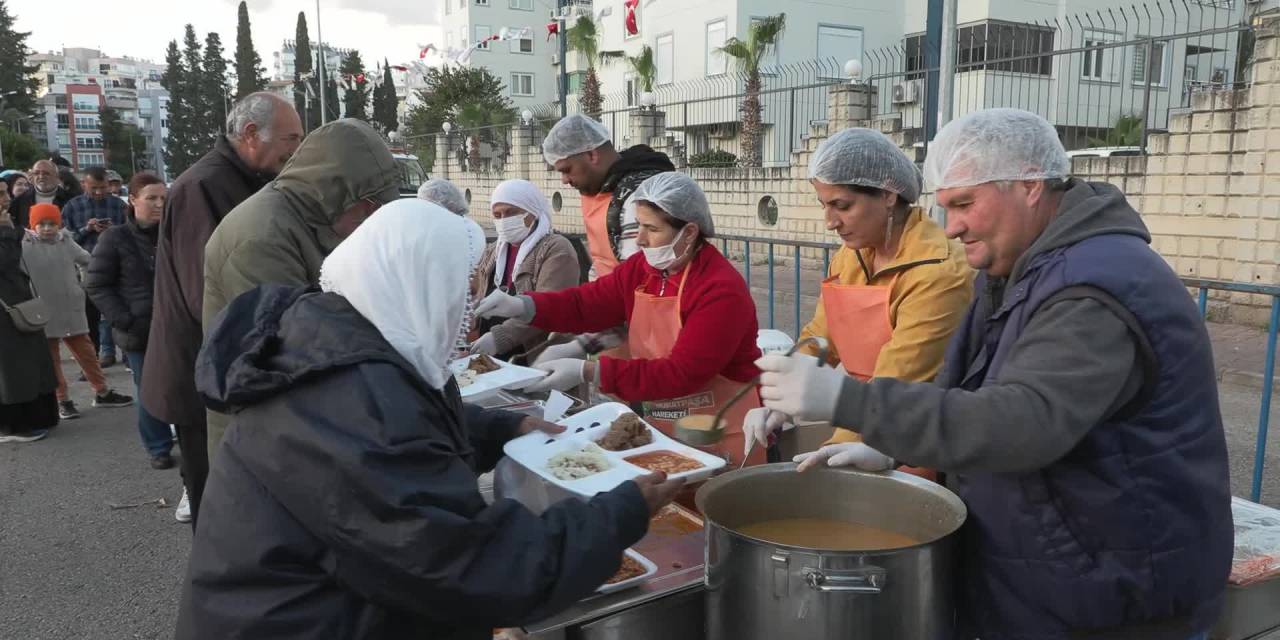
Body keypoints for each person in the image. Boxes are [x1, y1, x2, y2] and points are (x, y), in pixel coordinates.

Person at [752, 109, 1231, 639]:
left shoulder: (1089, 290)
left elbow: (1017, 420)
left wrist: (850, 407)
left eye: (963, 204)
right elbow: (942, 375)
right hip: (1033, 563)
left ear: (1029, 185)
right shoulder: (1003, 267)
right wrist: (828, 393)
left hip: (1112, 589)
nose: (952, 226)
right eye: (945, 206)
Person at [176, 200, 683, 639]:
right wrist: (618, 514)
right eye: (455, 283)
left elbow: (402, 424)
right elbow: (471, 567)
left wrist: (498, 427)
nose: (462, 300)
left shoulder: (334, 340)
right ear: (412, 281)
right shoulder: (350, 398)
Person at [476, 173, 764, 466]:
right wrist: (523, 305)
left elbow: (680, 375)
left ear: (689, 233)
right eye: (639, 225)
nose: (640, 239)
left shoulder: (720, 289)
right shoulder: (643, 270)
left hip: (727, 429)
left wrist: (588, 372)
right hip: (666, 424)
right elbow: (585, 304)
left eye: (651, 228)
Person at [742, 128, 974, 477]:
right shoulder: (851, 256)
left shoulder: (939, 271)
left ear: (887, 194)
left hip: (908, 441)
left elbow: (898, 380)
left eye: (842, 206)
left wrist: (834, 449)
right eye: (825, 205)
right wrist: (777, 399)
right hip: (855, 420)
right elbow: (821, 338)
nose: (830, 222)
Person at [143, 91, 303, 526]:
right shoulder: (204, 185)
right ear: (250, 134)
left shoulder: (243, 179)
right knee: (217, 500)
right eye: (292, 137)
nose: (297, 149)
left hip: (224, 367)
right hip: (205, 371)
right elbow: (211, 292)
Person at [202, 117, 400, 461]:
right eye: (367, 203)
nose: (371, 217)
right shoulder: (261, 236)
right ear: (335, 190)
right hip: (266, 440)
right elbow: (292, 349)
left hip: (297, 425)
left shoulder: (312, 216)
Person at [85, 173, 175, 469]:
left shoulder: (176, 234)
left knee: (183, 386)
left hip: (177, 327)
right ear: (133, 200)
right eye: (151, 198)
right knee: (148, 389)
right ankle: (158, 446)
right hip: (140, 330)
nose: (159, 204)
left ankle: (185, 436)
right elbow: (97, 285)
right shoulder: (115, 238)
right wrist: (125, 319)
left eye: (163, 197)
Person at [21, 204, 133, 420]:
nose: (47, 228)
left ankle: (102, 391)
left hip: (70, 306)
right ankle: (62, 399)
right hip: (42, 310)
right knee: (52, 359)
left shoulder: (66, 241)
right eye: (41, 224)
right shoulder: (25, 245)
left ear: (59, 224)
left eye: (52, 223)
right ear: (33, 225)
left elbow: (88, 261)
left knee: (87, 353)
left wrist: (82, 285)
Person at [542, 113, 674, 279]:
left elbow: (637, 278)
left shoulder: (637, 197)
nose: (564, 180)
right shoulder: (598, 188)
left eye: (567, 170)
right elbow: (600, 263)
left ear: (592, 155)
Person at [469, 179, 580, 362]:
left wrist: (499, 337)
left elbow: (550, 308)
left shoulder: (555, 249)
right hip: (496, 359)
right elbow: (479, 294)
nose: (504, 220)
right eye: (498, 215)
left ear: (532, 211)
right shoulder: (493, 252)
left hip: (537, 357)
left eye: (511, 212)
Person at [0, 193, 58, 443]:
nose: (5, 199)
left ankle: (40, 416)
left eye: (4, 193)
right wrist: (6, 231)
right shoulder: (5, 227)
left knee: (32, 361)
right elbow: (4, 260)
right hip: (4, 308)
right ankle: (12, 426)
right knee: (11, 369)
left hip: (17, 301)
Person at [61, 166, 127, 367]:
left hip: (116, 264)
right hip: (85, 267)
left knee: (115, 311)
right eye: (94, 188)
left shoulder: (118, 205)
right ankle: (93, 358)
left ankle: (118, 353)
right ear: (84, 185)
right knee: (90, 316)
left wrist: (114, 231)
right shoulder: (72, 207)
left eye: (103, 187)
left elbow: (130, 233)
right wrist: (86, 229)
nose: (99, 192)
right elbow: (64, 239)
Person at [9, 160, 73, 231]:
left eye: (46, 173)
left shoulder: (70, 199)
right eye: (36, 173)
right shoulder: (19, 201)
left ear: (56, 176)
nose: (41, 176)